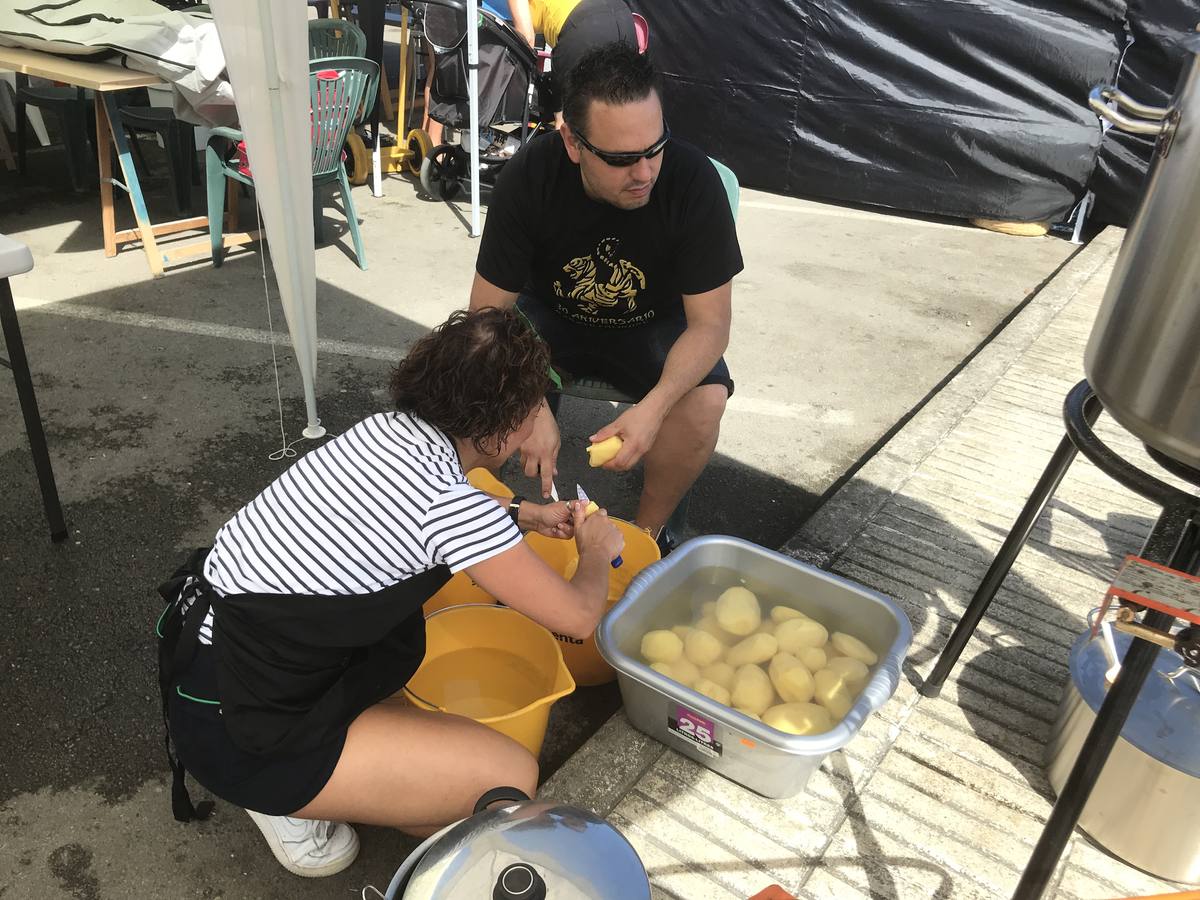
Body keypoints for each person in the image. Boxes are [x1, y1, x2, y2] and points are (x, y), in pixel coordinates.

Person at [155, 308, 624, 877]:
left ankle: (351, 783)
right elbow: (576, 618)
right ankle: (280, 801)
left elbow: (425, 514)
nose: (534, 427)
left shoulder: (382, 431)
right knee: (508, 779)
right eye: (531, 412)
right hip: (241, 728)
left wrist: (523, 515)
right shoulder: (452, 509)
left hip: (213, 659)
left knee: (447, 780)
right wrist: (596, 547)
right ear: (497, 429)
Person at [469, 42, 743, 550]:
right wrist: (529, 400)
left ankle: (645, 538)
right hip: (548, 315)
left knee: (703, 400)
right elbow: (485, 315)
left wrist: (656, 406)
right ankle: (484, 529)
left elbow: (710, 325)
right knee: (476, 376)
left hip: (653, 324)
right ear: (572, 143)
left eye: (654, 148)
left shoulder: (692, 181)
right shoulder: (530, 176)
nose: (644, 173)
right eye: (620, 159)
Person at [507, 0, 637, 123]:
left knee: (565, 123)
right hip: (622, 16)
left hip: (583, 27)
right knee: (619, 107)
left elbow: (526, 39)